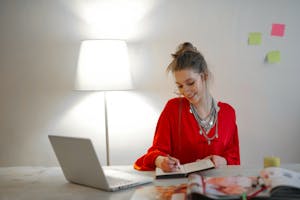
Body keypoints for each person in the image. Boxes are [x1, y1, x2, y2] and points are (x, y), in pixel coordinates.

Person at [134, 42, 240, 172]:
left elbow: (234, 159)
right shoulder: (173, 109)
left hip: (217, 188)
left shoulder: (228, 113)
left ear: (204, 76)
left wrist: (222, 161)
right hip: (180, 187)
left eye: (190, 83)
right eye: (180, 86)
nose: (185, 91)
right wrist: (161, 161)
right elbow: (155, 153)